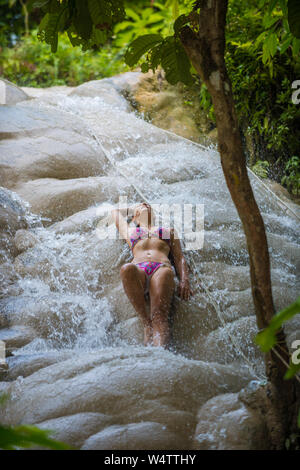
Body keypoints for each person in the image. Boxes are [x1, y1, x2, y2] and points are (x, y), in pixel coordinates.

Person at [111, 202, 193, 348]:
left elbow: (179, 257)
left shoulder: (168, 231)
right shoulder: (131, 232)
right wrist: (133, 208)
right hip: (139, 270)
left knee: (160, 318)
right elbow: (115, 212)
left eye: (148, 207)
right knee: (126, 268)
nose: (145, 206)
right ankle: (145, 322)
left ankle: (160, 354)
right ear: (135, 217)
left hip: (161, 268)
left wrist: (184, 280)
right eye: (142, 207)